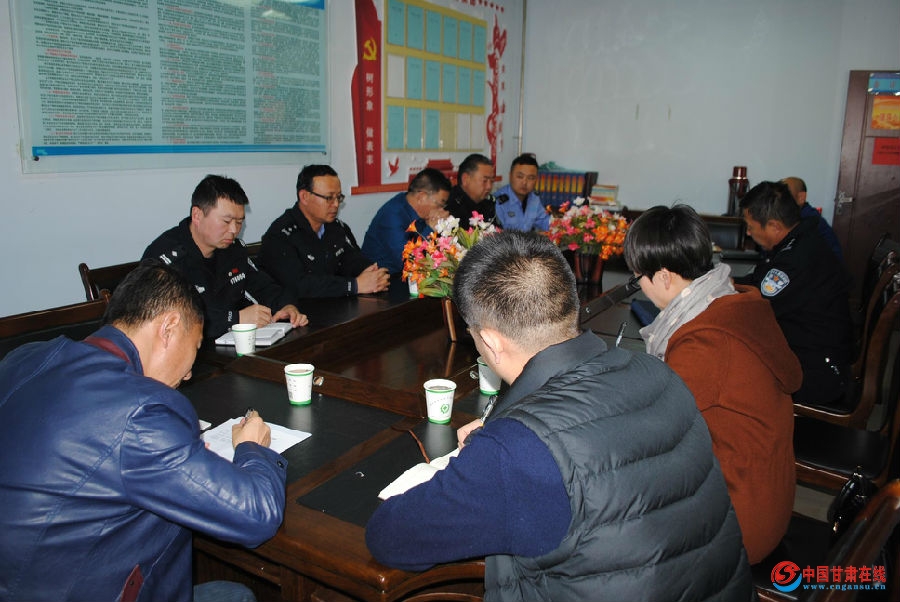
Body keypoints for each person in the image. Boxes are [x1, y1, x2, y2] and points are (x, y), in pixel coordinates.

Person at [366, 231, 754, 601]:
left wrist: (491, 453)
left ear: (490, 341)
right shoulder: (659, 373)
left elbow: (390, 536)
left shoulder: (517, 450)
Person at [0, 262, 287, 602]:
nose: (189, 374)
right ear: (169, 327)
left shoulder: (22, 358)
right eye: (195, 347)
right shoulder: (141, 411)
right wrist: (253, 448)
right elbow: (256, 515)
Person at [624, 205, 802, 564]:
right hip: (765, 496)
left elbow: (655, 436)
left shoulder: (705, 341)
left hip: (738, 521)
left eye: (637, 278)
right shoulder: (730, 303)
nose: (638, 287)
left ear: (663, 277)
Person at [143, 174, 307, 339]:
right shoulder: (165, 258)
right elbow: (167, 319)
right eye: (226, 221)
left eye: (239, 222)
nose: (234, 230)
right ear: (197, 215)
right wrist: (235, 319)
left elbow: (262, 286)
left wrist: (286, 306)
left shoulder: (232, 249)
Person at [736, 180, 853, 407]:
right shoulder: (801, 241)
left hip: (816, 373)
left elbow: (756, 305)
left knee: (732, 373)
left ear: (774, 226)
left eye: (750, 226)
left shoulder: (796, 260)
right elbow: (760, 283)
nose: (748, 233)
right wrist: (730, 282)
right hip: (813, 353)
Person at [259, 165, 389, 298]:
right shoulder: (280, 235)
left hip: (336, 304)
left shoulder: (337, 227)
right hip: (297, 308)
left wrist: (373, 274)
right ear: (304, 197)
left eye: (338, 197)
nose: (336, 204)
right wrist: (354, 285)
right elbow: (299, 285)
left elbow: (354, 260)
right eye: (329, 198)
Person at [361, 167, 451, 274]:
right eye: (440, 204)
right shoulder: (392, 215)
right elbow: (408, 261)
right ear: (421, 197)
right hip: (384, 277)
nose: (441, 210)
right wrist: (430, 230)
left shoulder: (418, 211)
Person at [782, 176, 843, 261]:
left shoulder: (810, 222)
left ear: (801, 197)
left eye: (785, 195)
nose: (779, 201)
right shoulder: (794, 216)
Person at [493, 153, 549, 232]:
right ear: (510, 176)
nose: (524, 182)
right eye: (520, 177)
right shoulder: (499, 202)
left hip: (527, 239)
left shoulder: (534, 198)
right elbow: (497, 234)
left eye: (530, 178)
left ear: (536, 180)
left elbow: (544, 221)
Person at [444, 153, 496, 223]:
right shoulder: (449, 207)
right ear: (465, 179)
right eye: (484, 181)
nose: (489, 186)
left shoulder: (489, 203)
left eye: (492, 181)